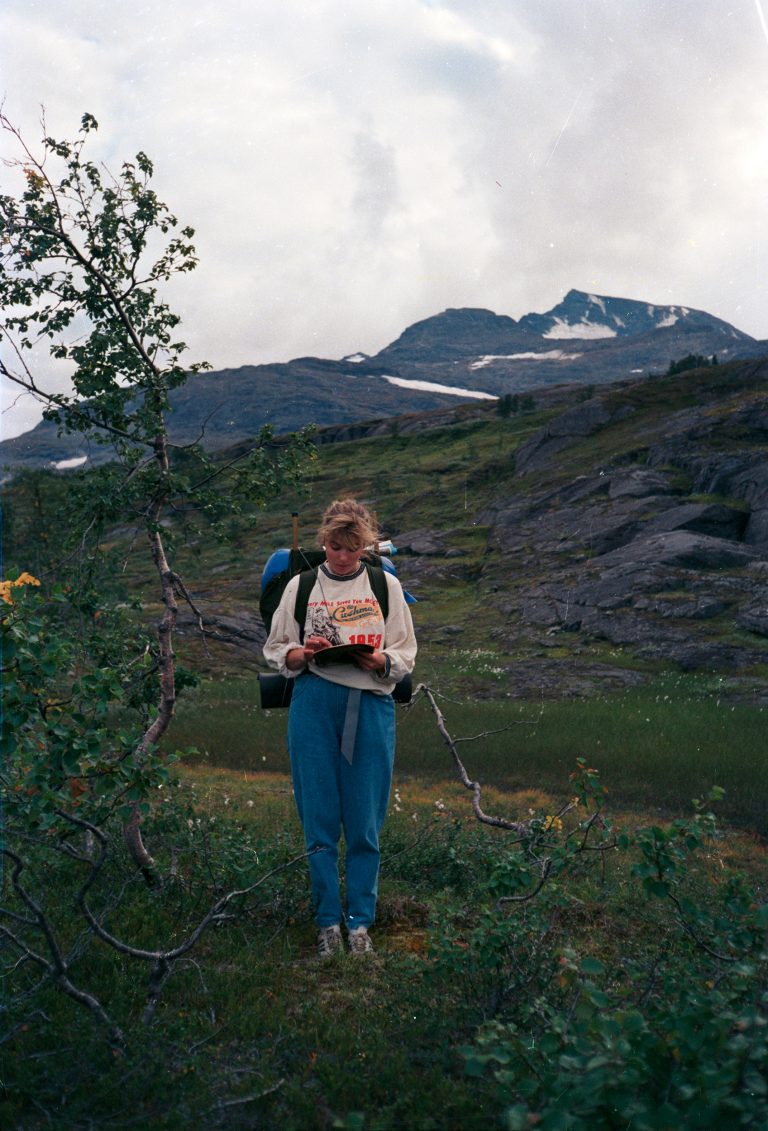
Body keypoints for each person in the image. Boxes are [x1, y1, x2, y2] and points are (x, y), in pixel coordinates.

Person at [263, 499, 417, 958]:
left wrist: (380, 661)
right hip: (313, 704)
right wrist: (303, 654)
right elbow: (278, 648)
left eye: (352, 548)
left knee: (365, 823)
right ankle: (328, 922)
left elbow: (404, 651)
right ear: (324, 542)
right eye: (334, 547)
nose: (343, 557)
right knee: (319, 820)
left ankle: (360, 924)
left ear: (365, 546)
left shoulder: (385, 586)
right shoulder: (301, 586)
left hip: (371, 706)